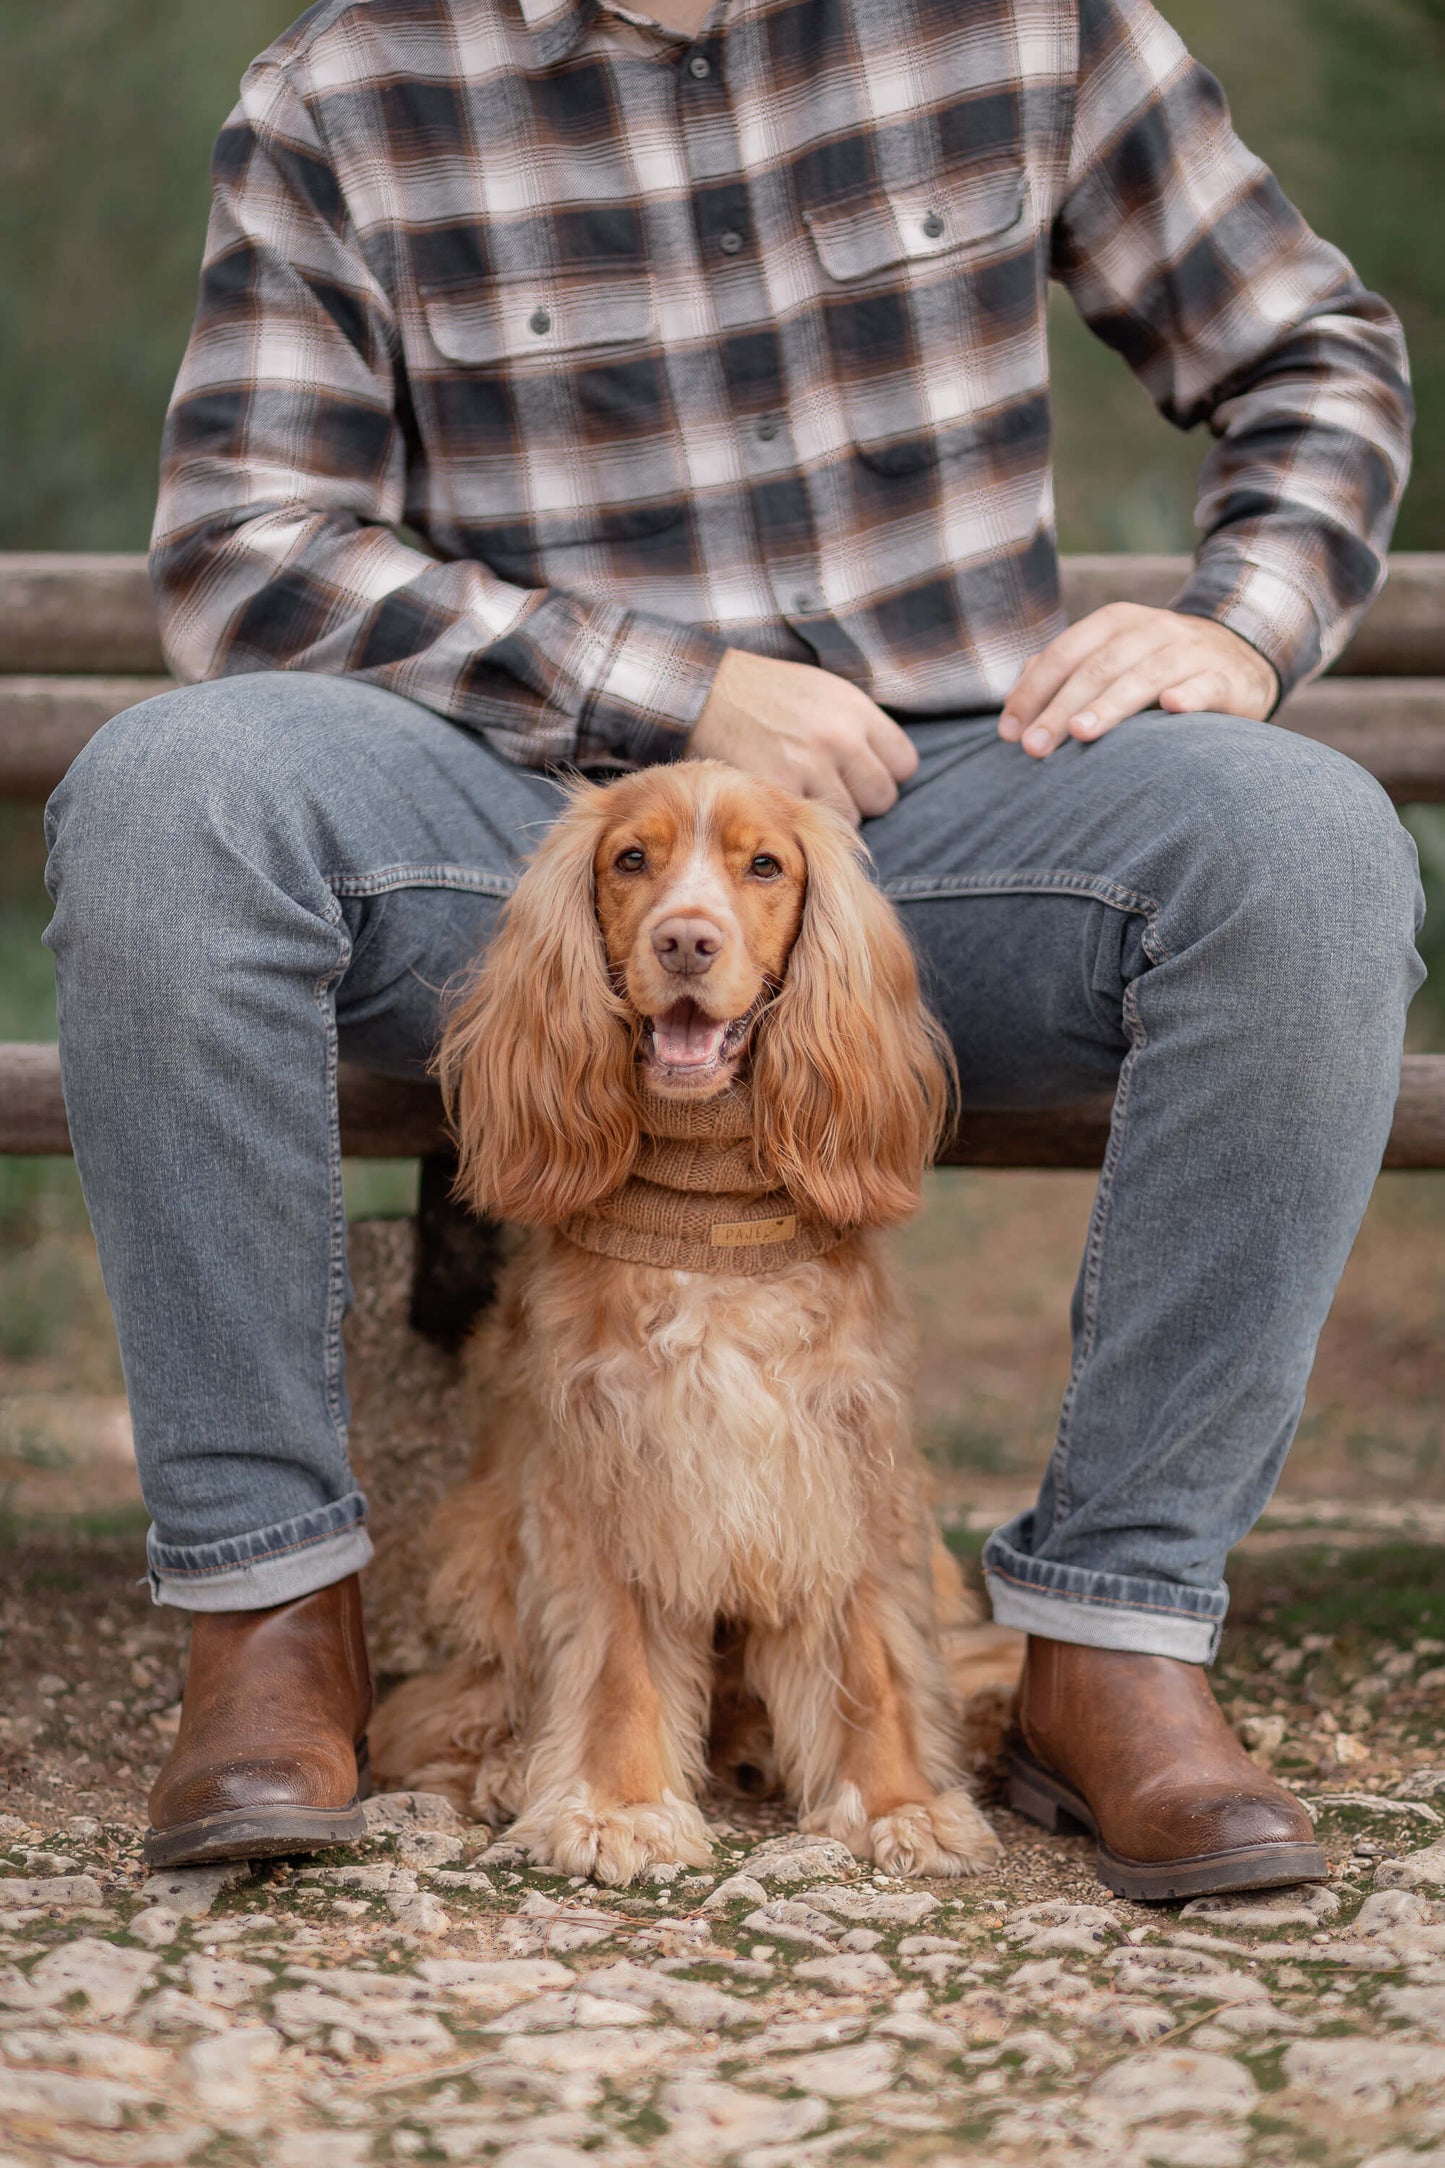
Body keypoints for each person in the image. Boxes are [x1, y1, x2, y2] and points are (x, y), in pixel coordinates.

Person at [45, 0, 1423, 1891]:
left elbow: (1312, 354)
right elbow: (243, 545)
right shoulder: (356, 87)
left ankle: (1113, 1640)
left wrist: (1241, 626)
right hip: (521, 817)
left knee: (1308, 847)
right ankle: (273, 1625)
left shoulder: (1026, 27)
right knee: (166, 798)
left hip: (953, 813)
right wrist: (668, 686)